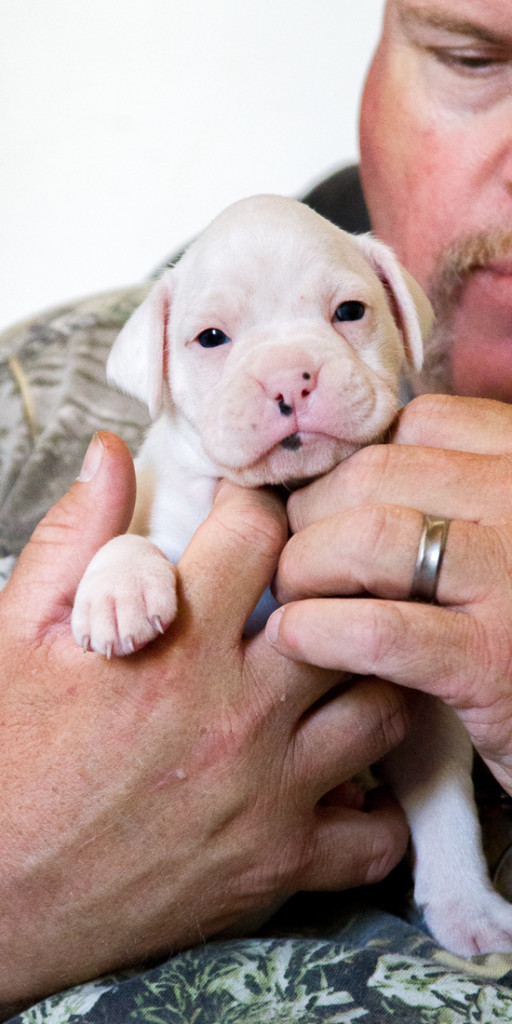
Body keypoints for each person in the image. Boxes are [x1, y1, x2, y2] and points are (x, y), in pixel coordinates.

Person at [1, 0, 512, 1020]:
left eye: (343, 315)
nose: (288, 380)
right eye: (468, 54)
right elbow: (131, 559)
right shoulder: (31, 396)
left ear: (388, 310)